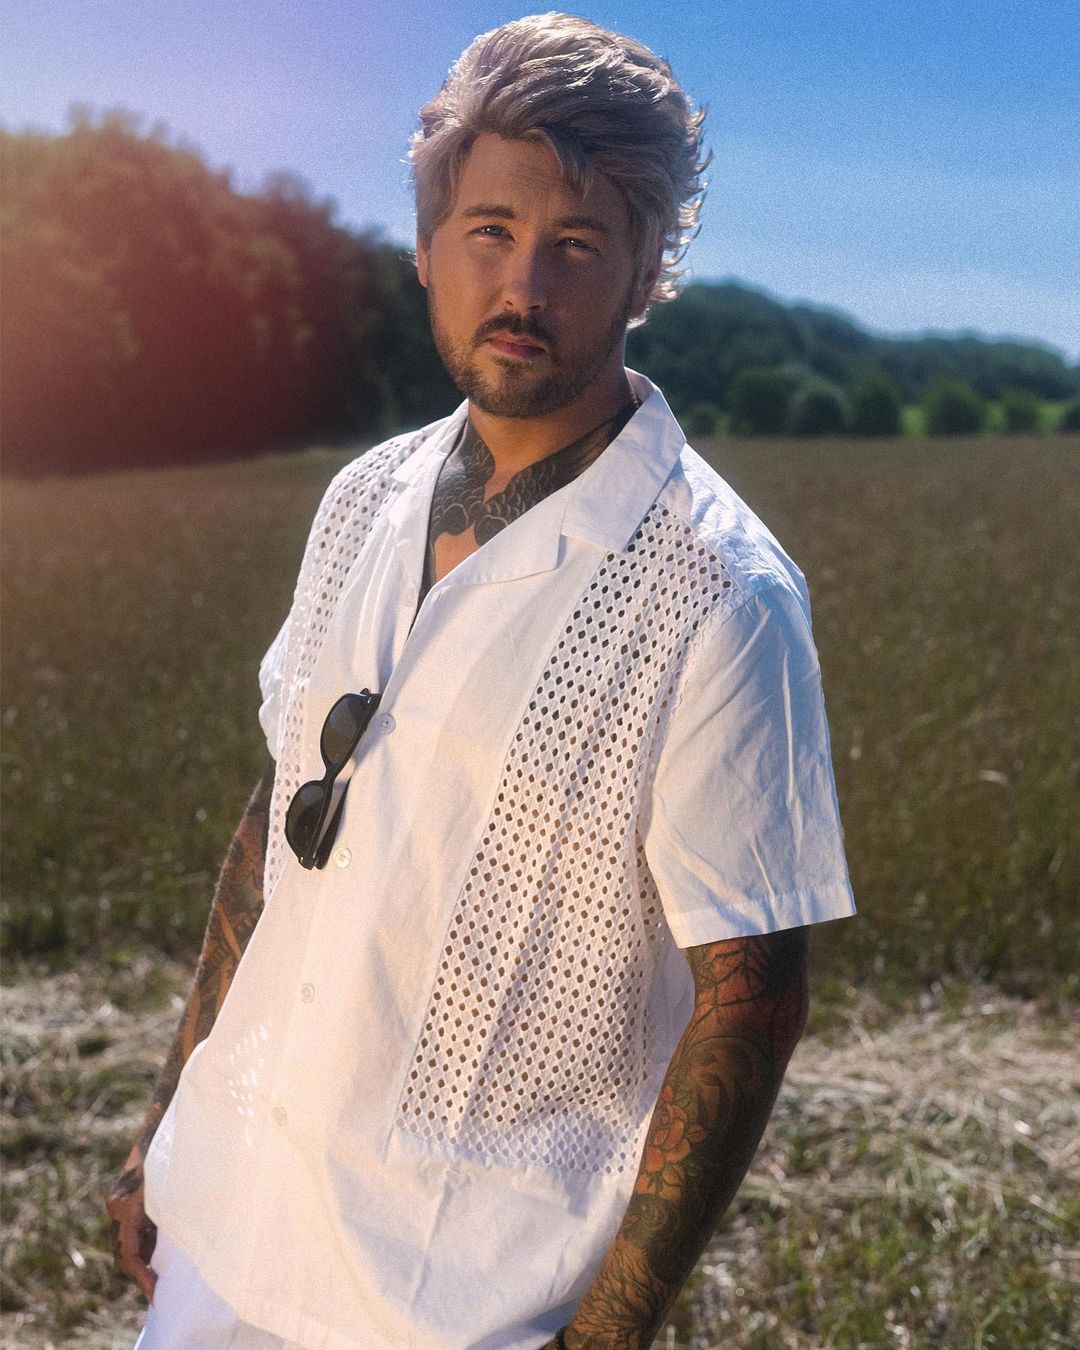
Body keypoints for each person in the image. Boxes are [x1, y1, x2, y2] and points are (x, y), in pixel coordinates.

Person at [108, 14, 856, 1348]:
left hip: (455, 1294)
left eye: (578, 245)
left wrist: (607, 1330)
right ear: (426, 246)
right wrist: (167, 1125)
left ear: (646, 269)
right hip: (231, 1215)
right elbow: (279, 822)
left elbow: (752, 999)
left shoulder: (722, 594)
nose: (524, 286)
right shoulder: (362, 496)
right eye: (490, 232)